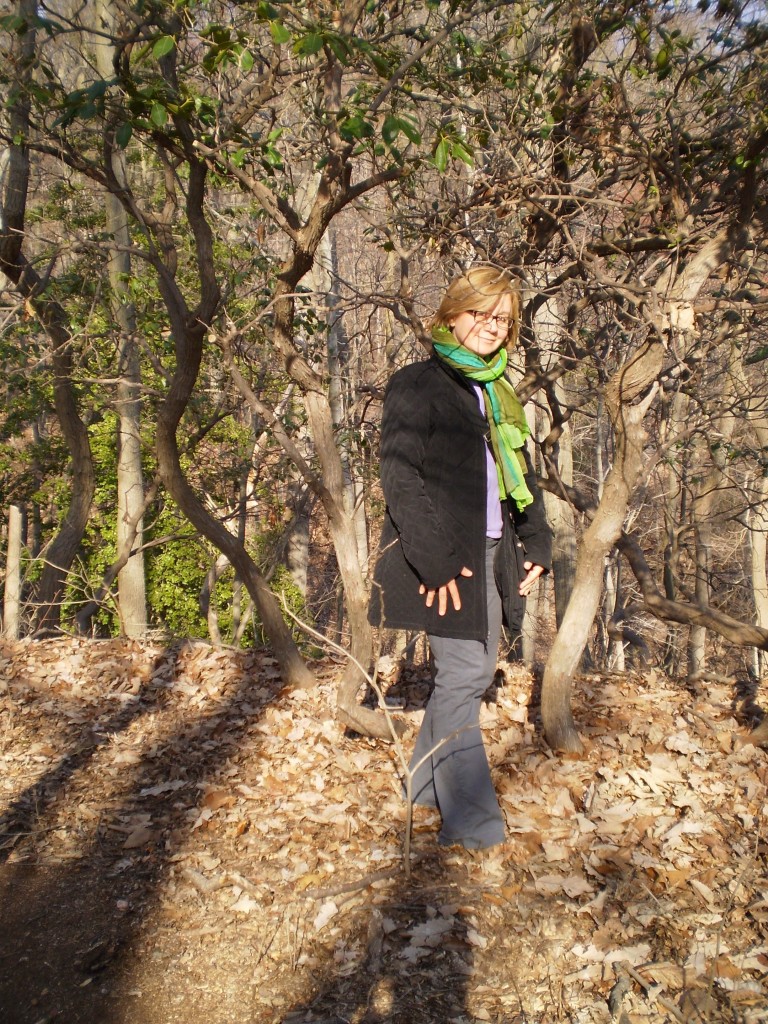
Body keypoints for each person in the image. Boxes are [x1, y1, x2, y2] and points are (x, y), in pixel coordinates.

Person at [368, 265, 552, 851]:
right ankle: (475, 829)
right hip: (446, 560)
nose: (490, 328)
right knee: (467, 676)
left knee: (465, 677)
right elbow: (399, 476)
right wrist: (436, 561)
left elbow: (518, 475)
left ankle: (423, 792)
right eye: (480, 314)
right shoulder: (417, 383)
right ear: (451, 315)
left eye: (502, 319)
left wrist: (537, 541)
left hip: (493, 551)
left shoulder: (497, 392)